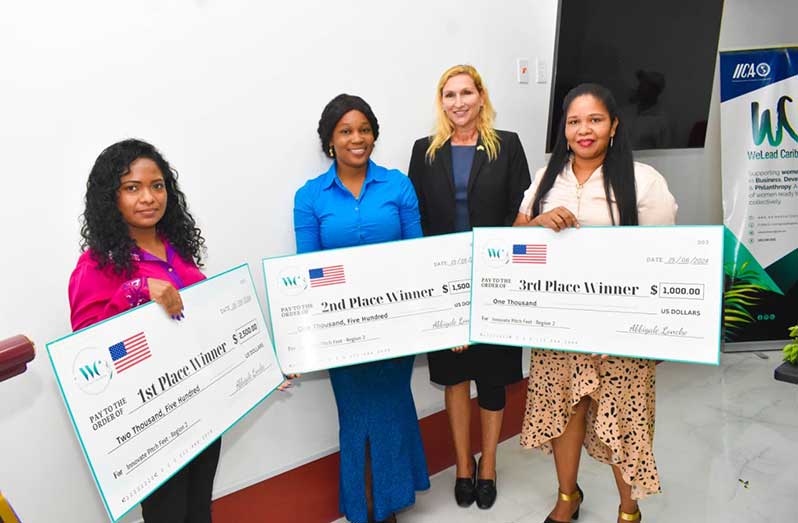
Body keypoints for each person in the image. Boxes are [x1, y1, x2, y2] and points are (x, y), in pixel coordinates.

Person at [513, 83, 677, 523]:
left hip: (620, 334)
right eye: (574, 121)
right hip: (558, 328)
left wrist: (635, 327)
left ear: (614, 125)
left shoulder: (644, 181)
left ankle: (629, 509)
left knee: (625, 421)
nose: (584, 130)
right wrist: (538, 223)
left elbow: (664, 263)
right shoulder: (548, 178)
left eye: (595, 119)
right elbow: (513, 243)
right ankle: (568, 497)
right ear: (564, 129)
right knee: (565, 411)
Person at [69, 139, 221, 523]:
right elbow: (87, 354)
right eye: (132, 188)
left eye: (157, 186)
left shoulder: (177, 249)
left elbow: (207, 321)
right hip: (152, 424)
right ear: (110, 198)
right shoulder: (95, 267)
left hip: (201, 410)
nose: (148, 197)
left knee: (199, 512)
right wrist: (135, 291)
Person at [293, 94, 430, 523]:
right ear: (330, 141)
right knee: (355, 414)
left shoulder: (397, 185)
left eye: (365, 129)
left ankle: (384, 504)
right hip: (342, 329)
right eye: (346, 131)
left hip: (395, 324)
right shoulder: (309, 196)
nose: (358, 138)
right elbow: (307, 269)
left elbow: (417, 254)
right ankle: (364, 504)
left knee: (390, 408)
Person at [408, 64, 530, 510]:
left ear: (481, 96)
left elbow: (522, 208)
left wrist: (500, 263)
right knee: (454, 379)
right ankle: (463, 465)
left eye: (466, 92)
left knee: (492, 378)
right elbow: (416, 220)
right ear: (441, 102)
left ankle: (490, 465)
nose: (458, 102)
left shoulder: (508, 146)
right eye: (449, 94)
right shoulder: (425, 151)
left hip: (496, 282)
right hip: (445, 284)